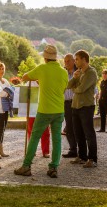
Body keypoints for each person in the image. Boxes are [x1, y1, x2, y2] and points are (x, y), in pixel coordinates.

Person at [14, 45, 68, 178]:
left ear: (45, 57)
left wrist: (38, 79)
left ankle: (26, 166)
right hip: (59, 110)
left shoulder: (42, 68)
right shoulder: (63, 72)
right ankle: (53, 168)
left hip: (44, 110)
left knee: (34, 138)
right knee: (57, 140)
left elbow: (25, 77)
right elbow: (62, 88)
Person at [67, 49, 98, 168]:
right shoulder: (79, 72)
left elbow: (81, 89)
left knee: (89, 133)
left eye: (77, 59)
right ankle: (82, 157)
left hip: (86, 107)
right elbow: (69, 86)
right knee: (78, 133)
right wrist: (75, 78)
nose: (75, 62)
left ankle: (92, 159)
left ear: (84, 59)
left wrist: (75, 88)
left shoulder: (91, 72)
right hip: (75, 106)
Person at [0, 62, 13, 159]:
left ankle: (1, 151)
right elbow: (0, 93)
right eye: (0, 68)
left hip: (6, 107)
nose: (2, 70)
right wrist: (7, 92)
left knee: (3, 129)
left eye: (3, 69)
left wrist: (7, 92)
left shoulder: (5, 81)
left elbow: (11, 92)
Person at [62, 53, 78, 158]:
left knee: (78, 127)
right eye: (65, 61)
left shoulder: (79, 72)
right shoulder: (62, 73)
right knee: (68, 127)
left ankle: (82, 151)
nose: (66, 63)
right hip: (66, 103)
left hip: (77, 102)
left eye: (68, 61)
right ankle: (73, 150)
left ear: (74, 61)